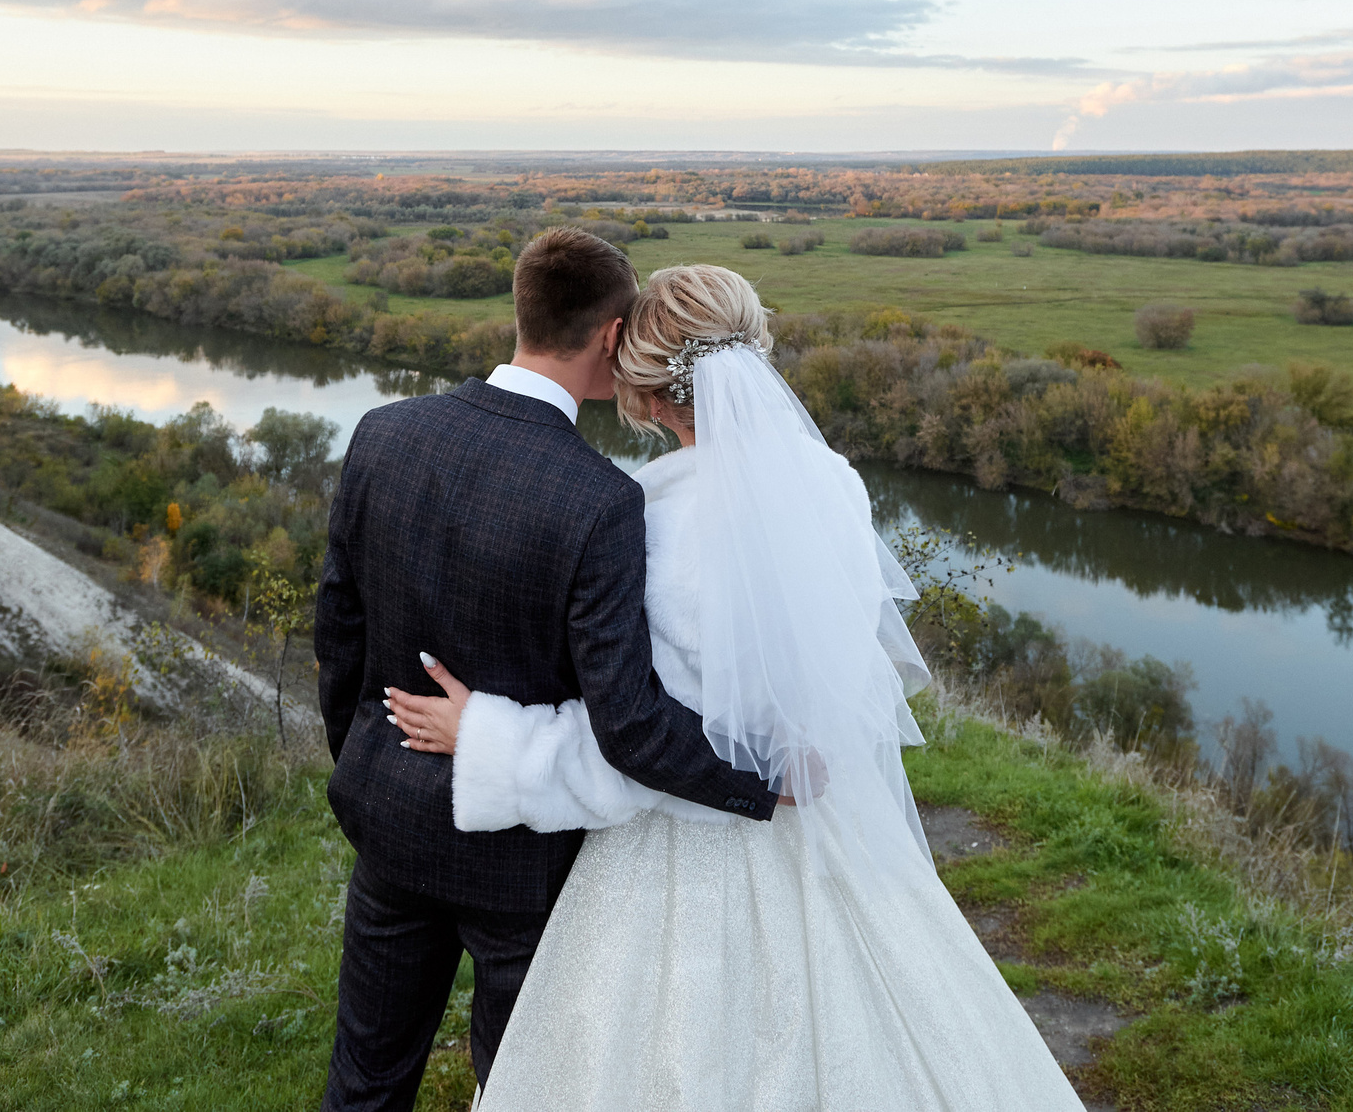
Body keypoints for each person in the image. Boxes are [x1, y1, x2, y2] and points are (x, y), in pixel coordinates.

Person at [387, 263, 1089, 1112]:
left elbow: (640, 742)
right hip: (828, 827)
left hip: (682, 860)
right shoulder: (832, 483)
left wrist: (490, 737)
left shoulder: (643, 519)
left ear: (649, 394)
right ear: (752, 354)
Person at [313, 231, 784, 1112]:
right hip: (522, 857)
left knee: (365, 1081)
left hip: (390, 820)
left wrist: (368, 763)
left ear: (522, 309)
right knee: (519, 1083)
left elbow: (339, 635)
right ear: (610, 336)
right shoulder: (600, 499)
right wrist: (763, 777)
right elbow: (629, 721)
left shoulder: (383, 433)